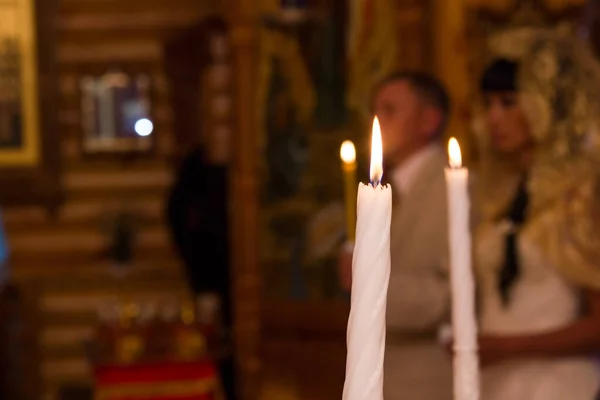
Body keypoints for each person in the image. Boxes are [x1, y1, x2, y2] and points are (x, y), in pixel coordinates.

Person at [472, 28, 600, 399]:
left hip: (557, 386)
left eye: (508, 102)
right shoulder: (507, 193)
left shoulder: (582, 194)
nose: (494, 117)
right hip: (496, 382)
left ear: (546, 104)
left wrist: (509, 347)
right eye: (489, 103)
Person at [339, 71, 452, 399]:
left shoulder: (453, 191)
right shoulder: (388, 191)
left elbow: (456, 295)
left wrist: (369, 280)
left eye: (390, 110)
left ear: (429, 120)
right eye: (375, 110)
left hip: (425, 381)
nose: (377, 120)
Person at [165, 147, 236, 399]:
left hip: (225, 280)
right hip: (208, 280)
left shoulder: (219, 184)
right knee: (214, 341)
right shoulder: (189, 194)